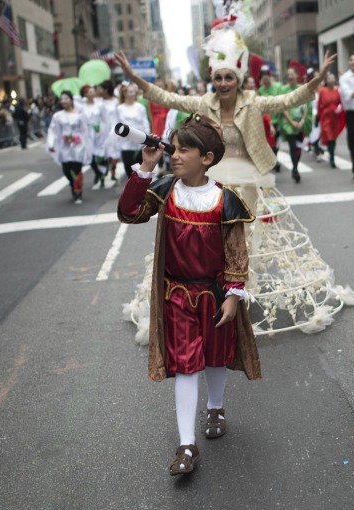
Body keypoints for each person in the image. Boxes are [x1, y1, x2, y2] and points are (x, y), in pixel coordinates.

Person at [115, 20, 354, 339]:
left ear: (238, 79)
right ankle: (219, 286)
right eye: (218, 77)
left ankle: (242, 288)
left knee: (245, 234)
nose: (223, 82)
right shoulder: (204, 103)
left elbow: (291, 99)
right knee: (214, 236)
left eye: (228, 77)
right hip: (213, 176)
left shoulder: (254, 102)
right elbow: (168, 97)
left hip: (248, 177)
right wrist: (135, 78)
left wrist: (316, 80)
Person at [117, 114, 260, 476]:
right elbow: (129, 213)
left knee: (214, 357)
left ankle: (215, 407)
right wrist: (145, 168)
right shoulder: (165, 189)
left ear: (207, 158)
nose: (174, 155)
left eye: (184, 150)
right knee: (185, 365)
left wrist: (233, 294)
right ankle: (187, 445)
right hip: (176, 295)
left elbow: (235, 251)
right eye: (174, 149)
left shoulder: (224, 200)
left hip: (212, 295)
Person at [47, 90, 88, 204]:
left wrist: (86, 145)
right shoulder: (57, 116)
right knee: (66, 170)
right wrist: (51, 144)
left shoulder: (79, 114)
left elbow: (85, 131)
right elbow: (53, 131)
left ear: (71, 100)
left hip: (78, 146)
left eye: (66, 98)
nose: (64, 101)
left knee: (76, 168)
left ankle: (78, 191)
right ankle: (73, 185)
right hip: (64, 147)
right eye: (62, 99)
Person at [279, 62, 309, 183]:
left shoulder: (302, 88)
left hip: (300, 124)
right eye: (288, 74)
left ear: (297, 75)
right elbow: (282, 106)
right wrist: (291, 122)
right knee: (292, 146)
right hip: (288, 123)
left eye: (292, 74)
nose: (289, 76)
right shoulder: (284, 89)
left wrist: (302, 120)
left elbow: (307, 106)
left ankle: (295, 166)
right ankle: (295, 168)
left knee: (298, 147)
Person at [116, 82, 150, 179]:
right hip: (125, 142)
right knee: (128, 166)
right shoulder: (120, 108)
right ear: (125, 93)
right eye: (130, 92)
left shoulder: (140, 107)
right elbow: (118, 124)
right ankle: (131, 185)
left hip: (138, 141)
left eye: (134, 92)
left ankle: (138, 188)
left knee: (139, 168)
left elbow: (145, 123)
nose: (133, 94)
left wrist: (146, 138)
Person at [78, 84, 108, 189]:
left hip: (99, 132)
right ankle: (98, 172)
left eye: (93, 92)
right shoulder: (82, 107)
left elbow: (105, 119)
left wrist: (103, 129)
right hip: (88, 134)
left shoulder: (100, 105)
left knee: (100, 155)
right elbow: (81, 122)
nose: (92, 94)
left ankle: (103, 175)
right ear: (85, 94)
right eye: (89, 92)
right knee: (90, 156)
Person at [317, 72, 345, 168]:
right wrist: (318, 116)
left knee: (333, 137)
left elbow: (341, 103)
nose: (331, 80)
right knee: (329, 136)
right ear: (326, 81)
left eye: (333, 78)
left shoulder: (337, 91)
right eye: (329, 79)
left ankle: (331, 152)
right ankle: (332, 157)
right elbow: (319, 104)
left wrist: (339, 108)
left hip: (335, 117)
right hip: (326, 117)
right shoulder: (323, 91)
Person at [96, 79, 122, 186]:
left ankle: (112, 171)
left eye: (100, 89)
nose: (98, 91)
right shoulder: (98, 102)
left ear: (106, 90)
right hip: (101, 131)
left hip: (113, 130)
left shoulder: (116, 101)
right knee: (101, 154)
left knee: (112, 153)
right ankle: (102, 173)